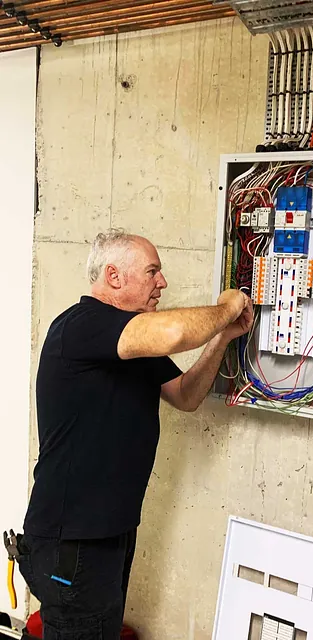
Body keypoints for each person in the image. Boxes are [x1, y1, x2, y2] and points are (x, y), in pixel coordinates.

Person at [17, 229, 253, 640]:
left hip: (108, 535)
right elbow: (174, 333)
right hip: (71, 543)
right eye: (152, 272)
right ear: (114, 276)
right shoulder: (83, 326)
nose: (161, 283)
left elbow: (186, 396)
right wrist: (225, 309)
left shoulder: (130, 344)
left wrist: (222, 337)